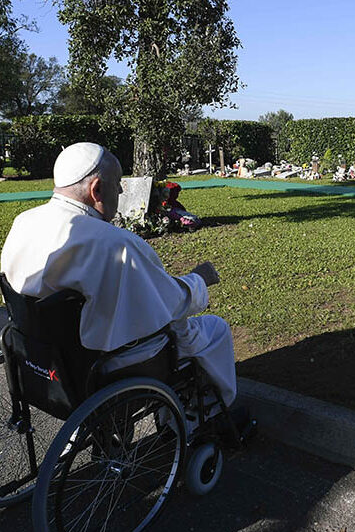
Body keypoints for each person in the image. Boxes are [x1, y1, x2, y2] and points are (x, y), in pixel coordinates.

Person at [0, 142, 236, 407]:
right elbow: (170, 304)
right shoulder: (115, 244)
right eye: (118, 182)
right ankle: (215, 411)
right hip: (106, 367)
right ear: (97, 189)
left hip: (43, 360)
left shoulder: (23, 221)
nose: (122, 189)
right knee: (215, 329)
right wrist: (199, 280)